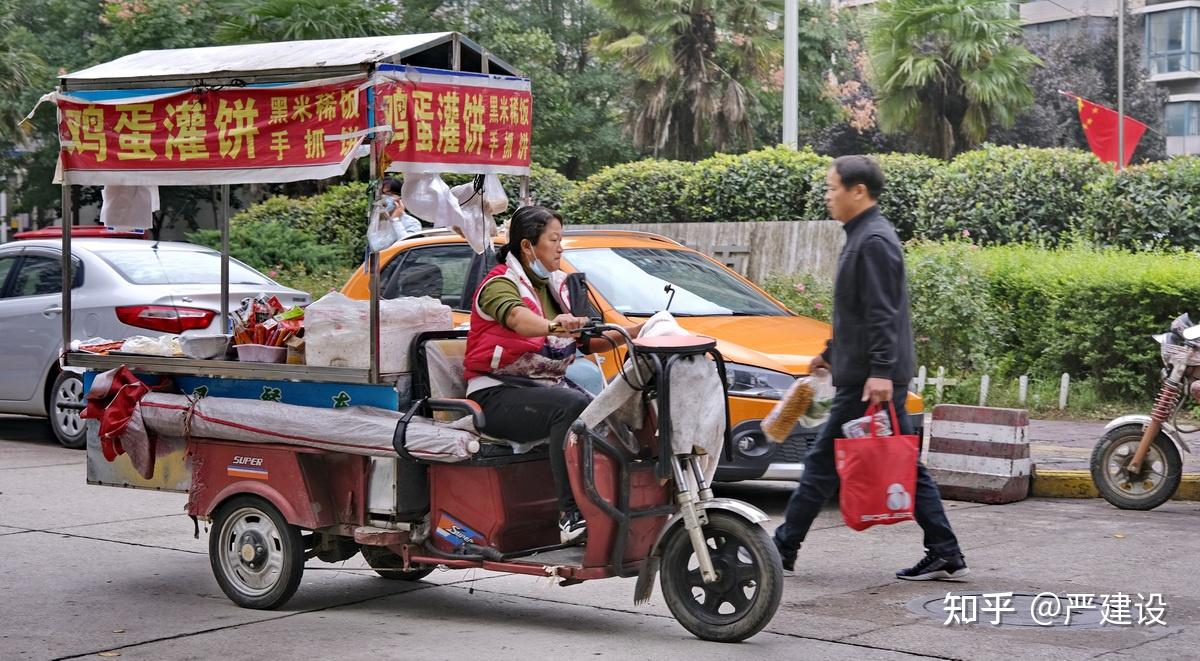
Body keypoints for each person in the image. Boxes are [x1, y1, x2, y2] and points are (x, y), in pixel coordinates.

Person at [773, 155, 968, 581]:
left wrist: (879, 371)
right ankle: (944, 548)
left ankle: (782, 547)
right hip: (865, 374)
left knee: (823, 461)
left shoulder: (873, 240)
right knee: (901, 462)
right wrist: (830, 351)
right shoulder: (862, 236)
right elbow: (857, 313)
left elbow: (883, 313)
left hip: (870, 381)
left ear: (858, 191)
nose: (828, 196)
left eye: (832, 188)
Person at [463, 205, 640, 543]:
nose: (560, 247)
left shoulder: (559, 287)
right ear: (528, 246)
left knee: (607, 410)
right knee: (571, 407)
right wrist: (552, 325)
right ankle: (570, 514)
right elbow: (517, 319)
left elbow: (592, 341)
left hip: (540, 391)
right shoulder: (498, 284)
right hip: (495, 395)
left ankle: (612, 500)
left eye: (561, 240)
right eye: (554, 240)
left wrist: (639, 331)